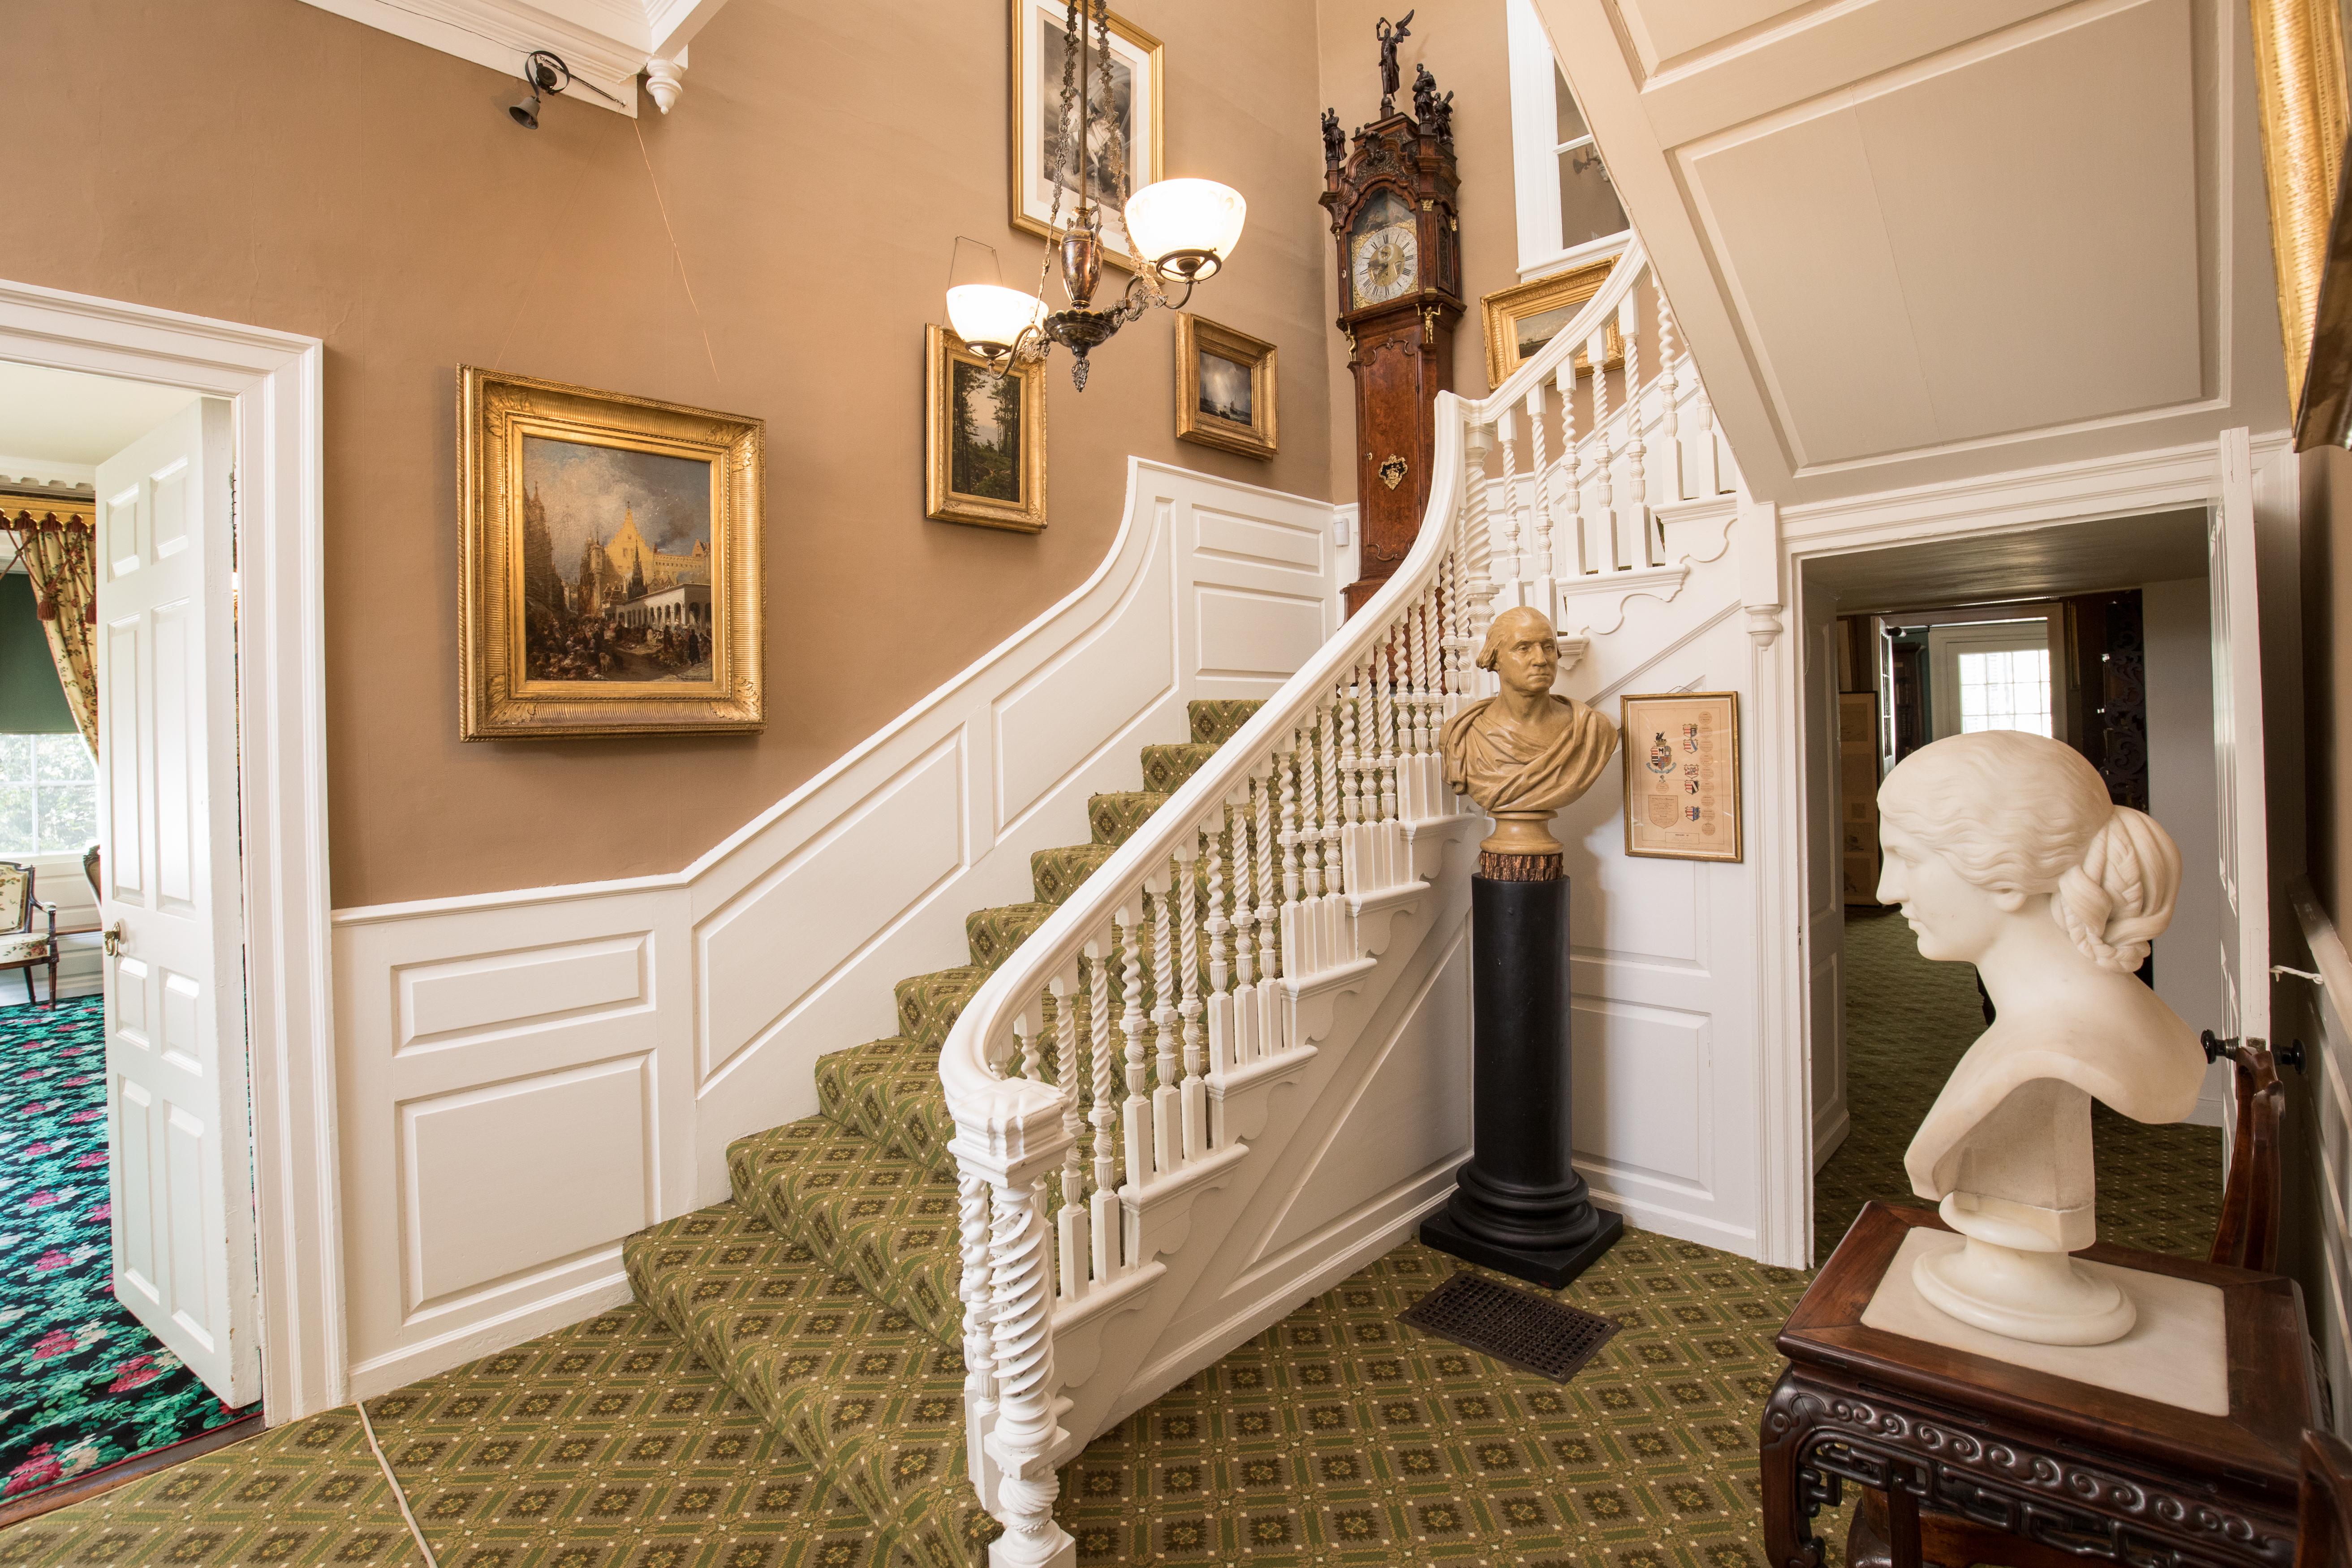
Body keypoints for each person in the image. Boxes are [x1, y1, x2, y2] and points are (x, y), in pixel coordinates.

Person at [1877, 729, 2203, 1343]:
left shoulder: (2052, 1050)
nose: (1884, 891)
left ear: (2005, 874)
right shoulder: (2112, 1019)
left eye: (1906, 858)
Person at [1438, 605, 1618, 859]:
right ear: (1495, 658)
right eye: (1523, 648)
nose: (1541, 659)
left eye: (1547, 647)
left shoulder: (1592, 731)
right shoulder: (1462, 736)